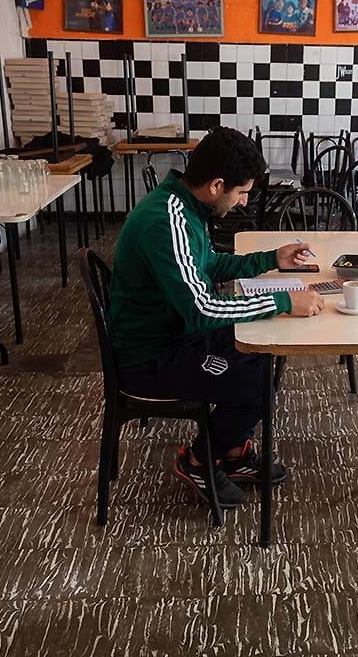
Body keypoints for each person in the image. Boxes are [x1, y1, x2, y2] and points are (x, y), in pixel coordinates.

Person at [108, 127, 325, 509]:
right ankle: (198, 460)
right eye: (241, 193)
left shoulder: (185, 206)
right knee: (255, 385)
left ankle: (233, 452)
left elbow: (207, 266)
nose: (242, 203)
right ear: (216, 185)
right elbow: (202, 308)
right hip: (149, 356)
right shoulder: (167, 221)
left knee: (259, 354)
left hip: (174, 332)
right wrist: (283, 301)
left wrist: (270, 259)